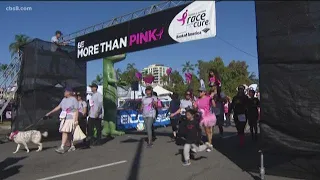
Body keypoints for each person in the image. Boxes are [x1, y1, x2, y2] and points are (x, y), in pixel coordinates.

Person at [46, 87, 79, 153]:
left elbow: (76, 110)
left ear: (69, 92)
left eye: (65, 91)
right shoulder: (64, 99)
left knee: (64, 131)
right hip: (64, 118)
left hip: (70, 118)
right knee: (68, 133)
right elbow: (58, 107)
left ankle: (62, 147)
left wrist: (76, 120)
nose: (64, 93)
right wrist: (50, 112)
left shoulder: (73, 100)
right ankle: (72, 146)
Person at [194, 87, 216, 152]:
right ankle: (209, 142)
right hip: (201, 117)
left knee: (208, 131)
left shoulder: (208, 98)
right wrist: (194, 106)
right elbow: (195, 108)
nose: (199, 93)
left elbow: (214, 105)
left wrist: (212, 99)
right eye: (199, 91)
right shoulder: (197, 100)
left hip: (208, 117)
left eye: (201, 91)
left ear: (204, 92)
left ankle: (210, 144)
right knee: (206, 131)